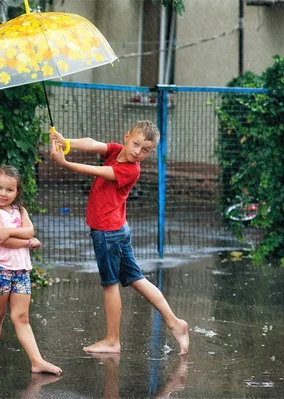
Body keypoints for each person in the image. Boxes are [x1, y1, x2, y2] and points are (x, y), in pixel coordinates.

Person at [49, 121, 189, 356]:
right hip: (117, 230)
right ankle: (175, 322)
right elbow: (93, 144)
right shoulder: (116, 151)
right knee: (137, 279)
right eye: (135, 144)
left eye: (145, 150)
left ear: (150, 152)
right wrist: (67, 142)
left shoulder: (130, 170)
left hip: (108, 233)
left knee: (110, 285)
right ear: (127, 137)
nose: (137, 152)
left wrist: (65, 162)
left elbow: (98, 171)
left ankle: (113, 340)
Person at [0, 165, 62, 375]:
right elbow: (3, 241)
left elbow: (30, 230)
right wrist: (27, 242)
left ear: (17, 192)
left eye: (9, 190)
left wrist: (9, 231)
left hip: (21, 270)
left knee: (22, 317)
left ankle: (37, 361)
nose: (3, 193)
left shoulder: (20, 211)